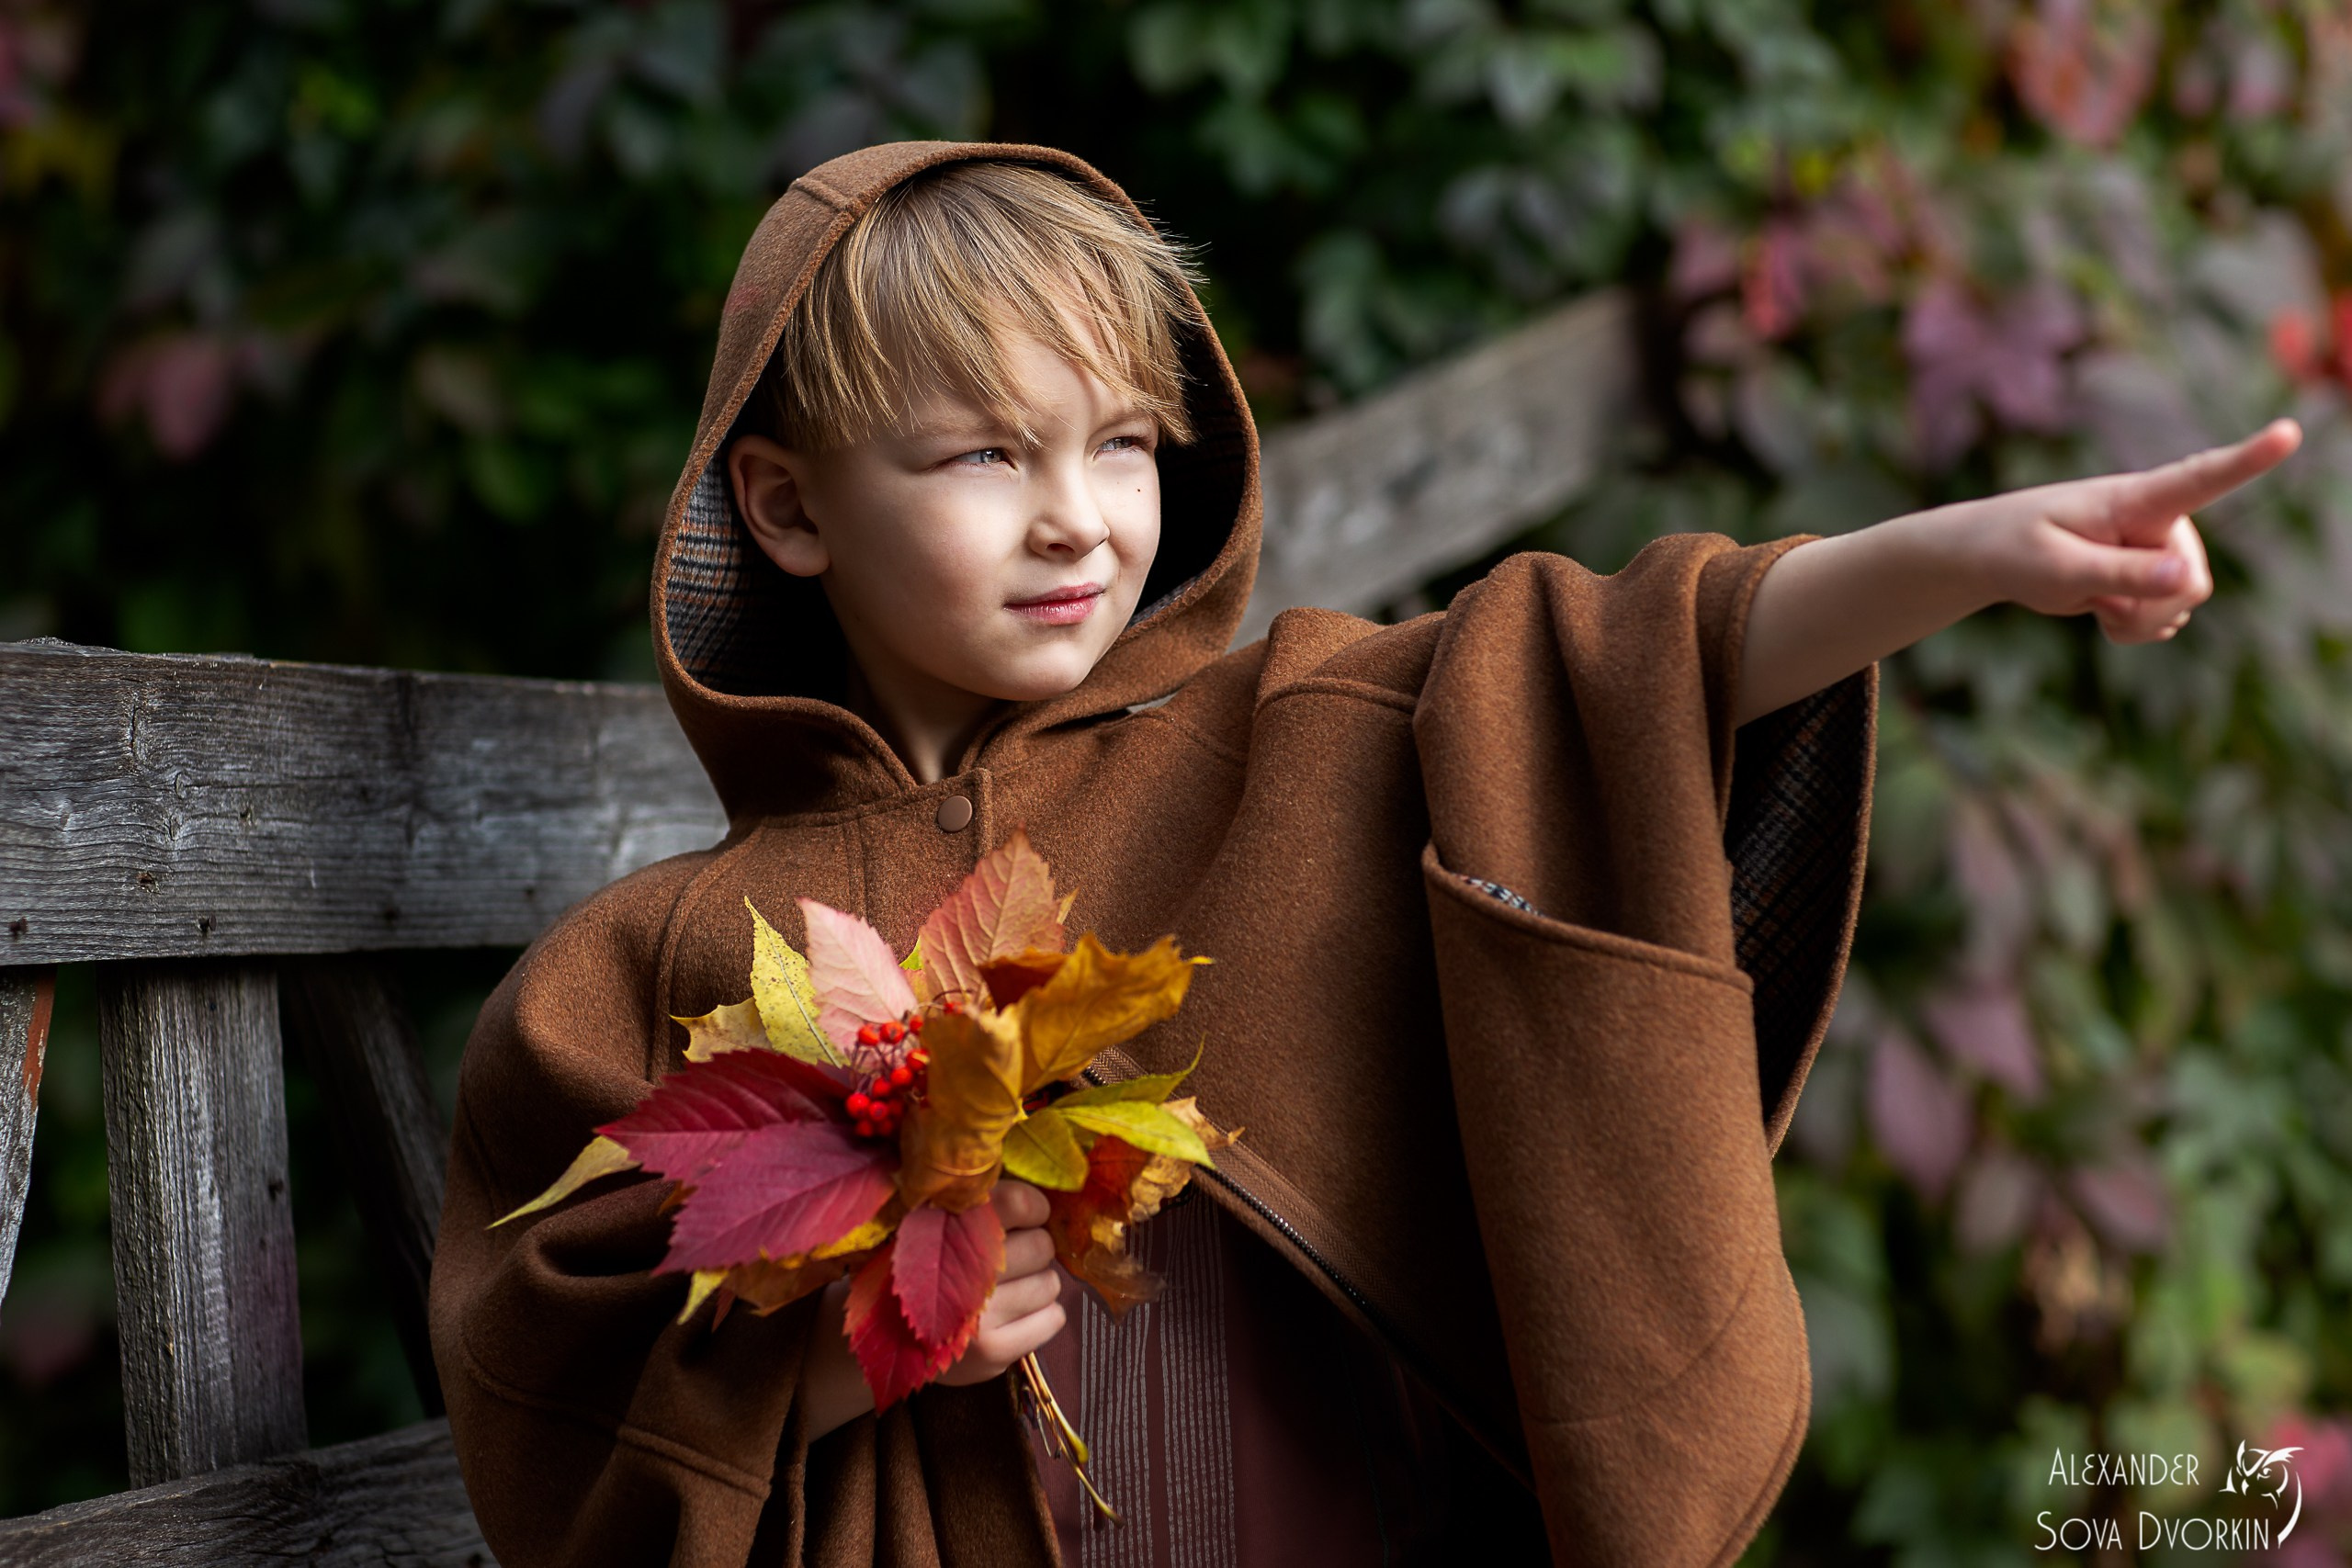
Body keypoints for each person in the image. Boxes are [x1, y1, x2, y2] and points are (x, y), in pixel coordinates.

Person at [427, 141, 2300, 1568]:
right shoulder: (663, 954)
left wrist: (1967, 554)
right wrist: (825, 1362)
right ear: (785, 504)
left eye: (1121, 441)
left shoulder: (1287, 737)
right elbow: (560, 1412)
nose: (1076, 519)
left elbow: (1624, 655)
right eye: (980, 456)